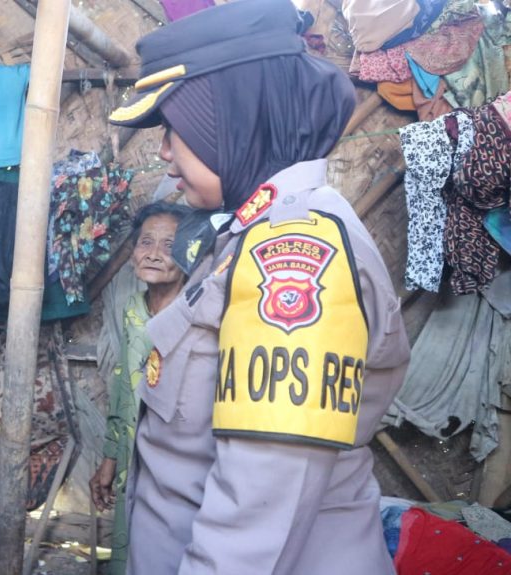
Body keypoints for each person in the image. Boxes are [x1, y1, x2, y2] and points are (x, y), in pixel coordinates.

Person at [106, 1, 411, 573]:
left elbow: (255, 527)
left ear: (230, 121)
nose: (165, 152)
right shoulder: (249, 234)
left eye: (174, 129)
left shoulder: (295, 256)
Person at [90, 202, 192, 575]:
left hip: (177, 470)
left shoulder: (197, 318)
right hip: (131, 464)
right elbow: (123, 390)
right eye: (145, 242)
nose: (152, 253)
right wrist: (109, 459)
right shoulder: (134, 309)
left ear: (189, 253)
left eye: (168, 245)